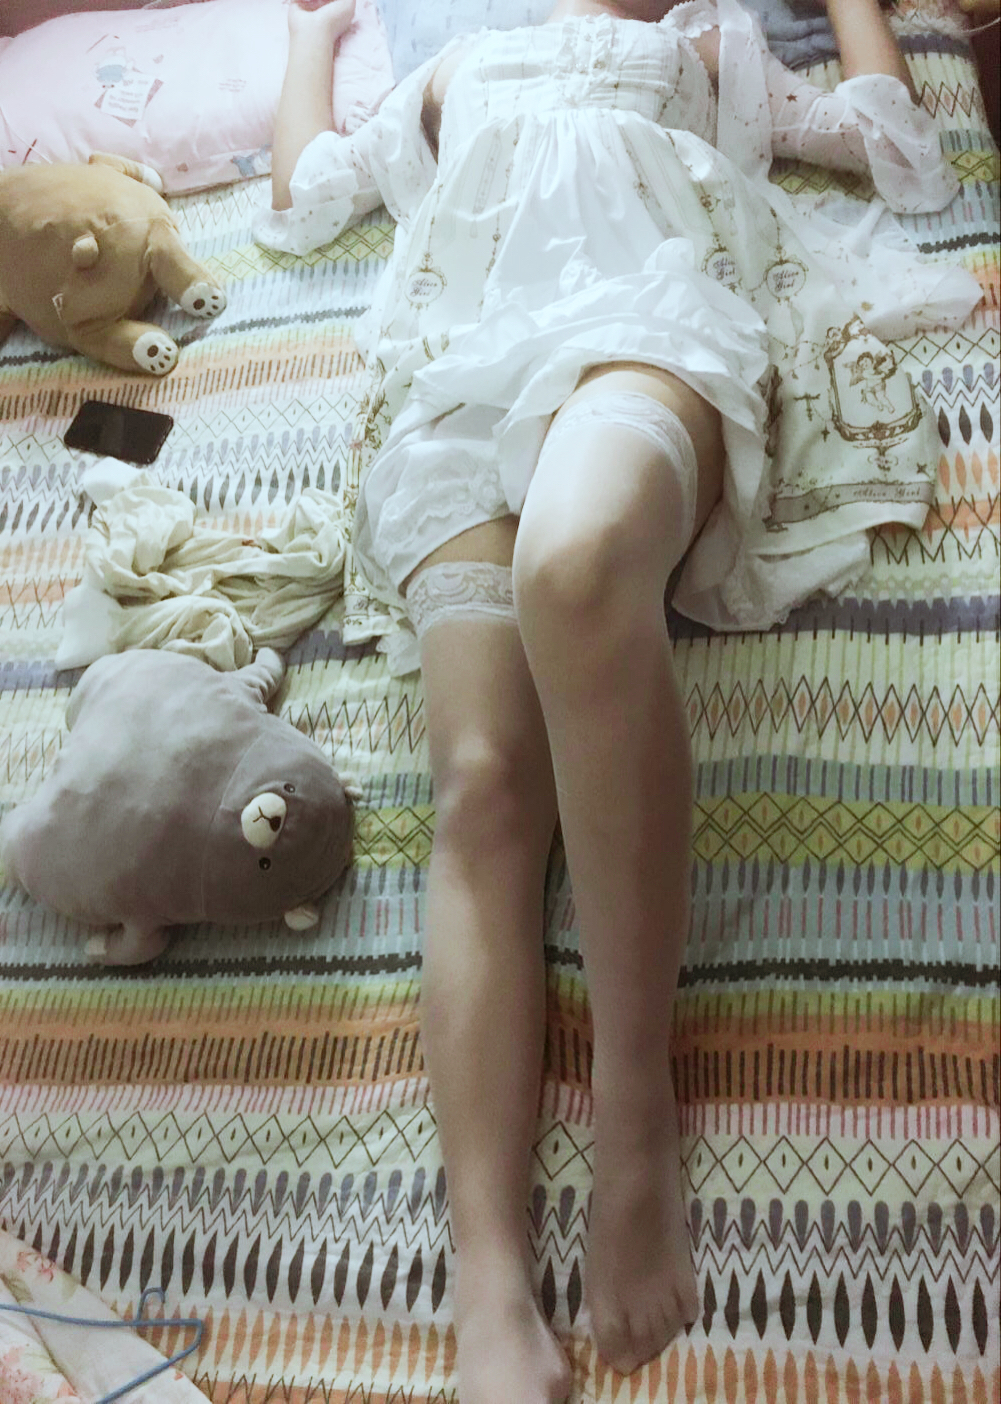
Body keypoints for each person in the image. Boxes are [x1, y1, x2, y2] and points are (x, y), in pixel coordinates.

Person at [257, 3, 979, 1401]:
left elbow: (903, 157)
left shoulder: (708, 47)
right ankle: (487, 1276)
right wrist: (306, 37)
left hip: (645, 331)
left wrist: (855, 11)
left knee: (576, 567)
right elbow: (298, 204)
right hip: (457, 384)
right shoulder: (448, 71)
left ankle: (635, 1106)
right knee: (482, 784)